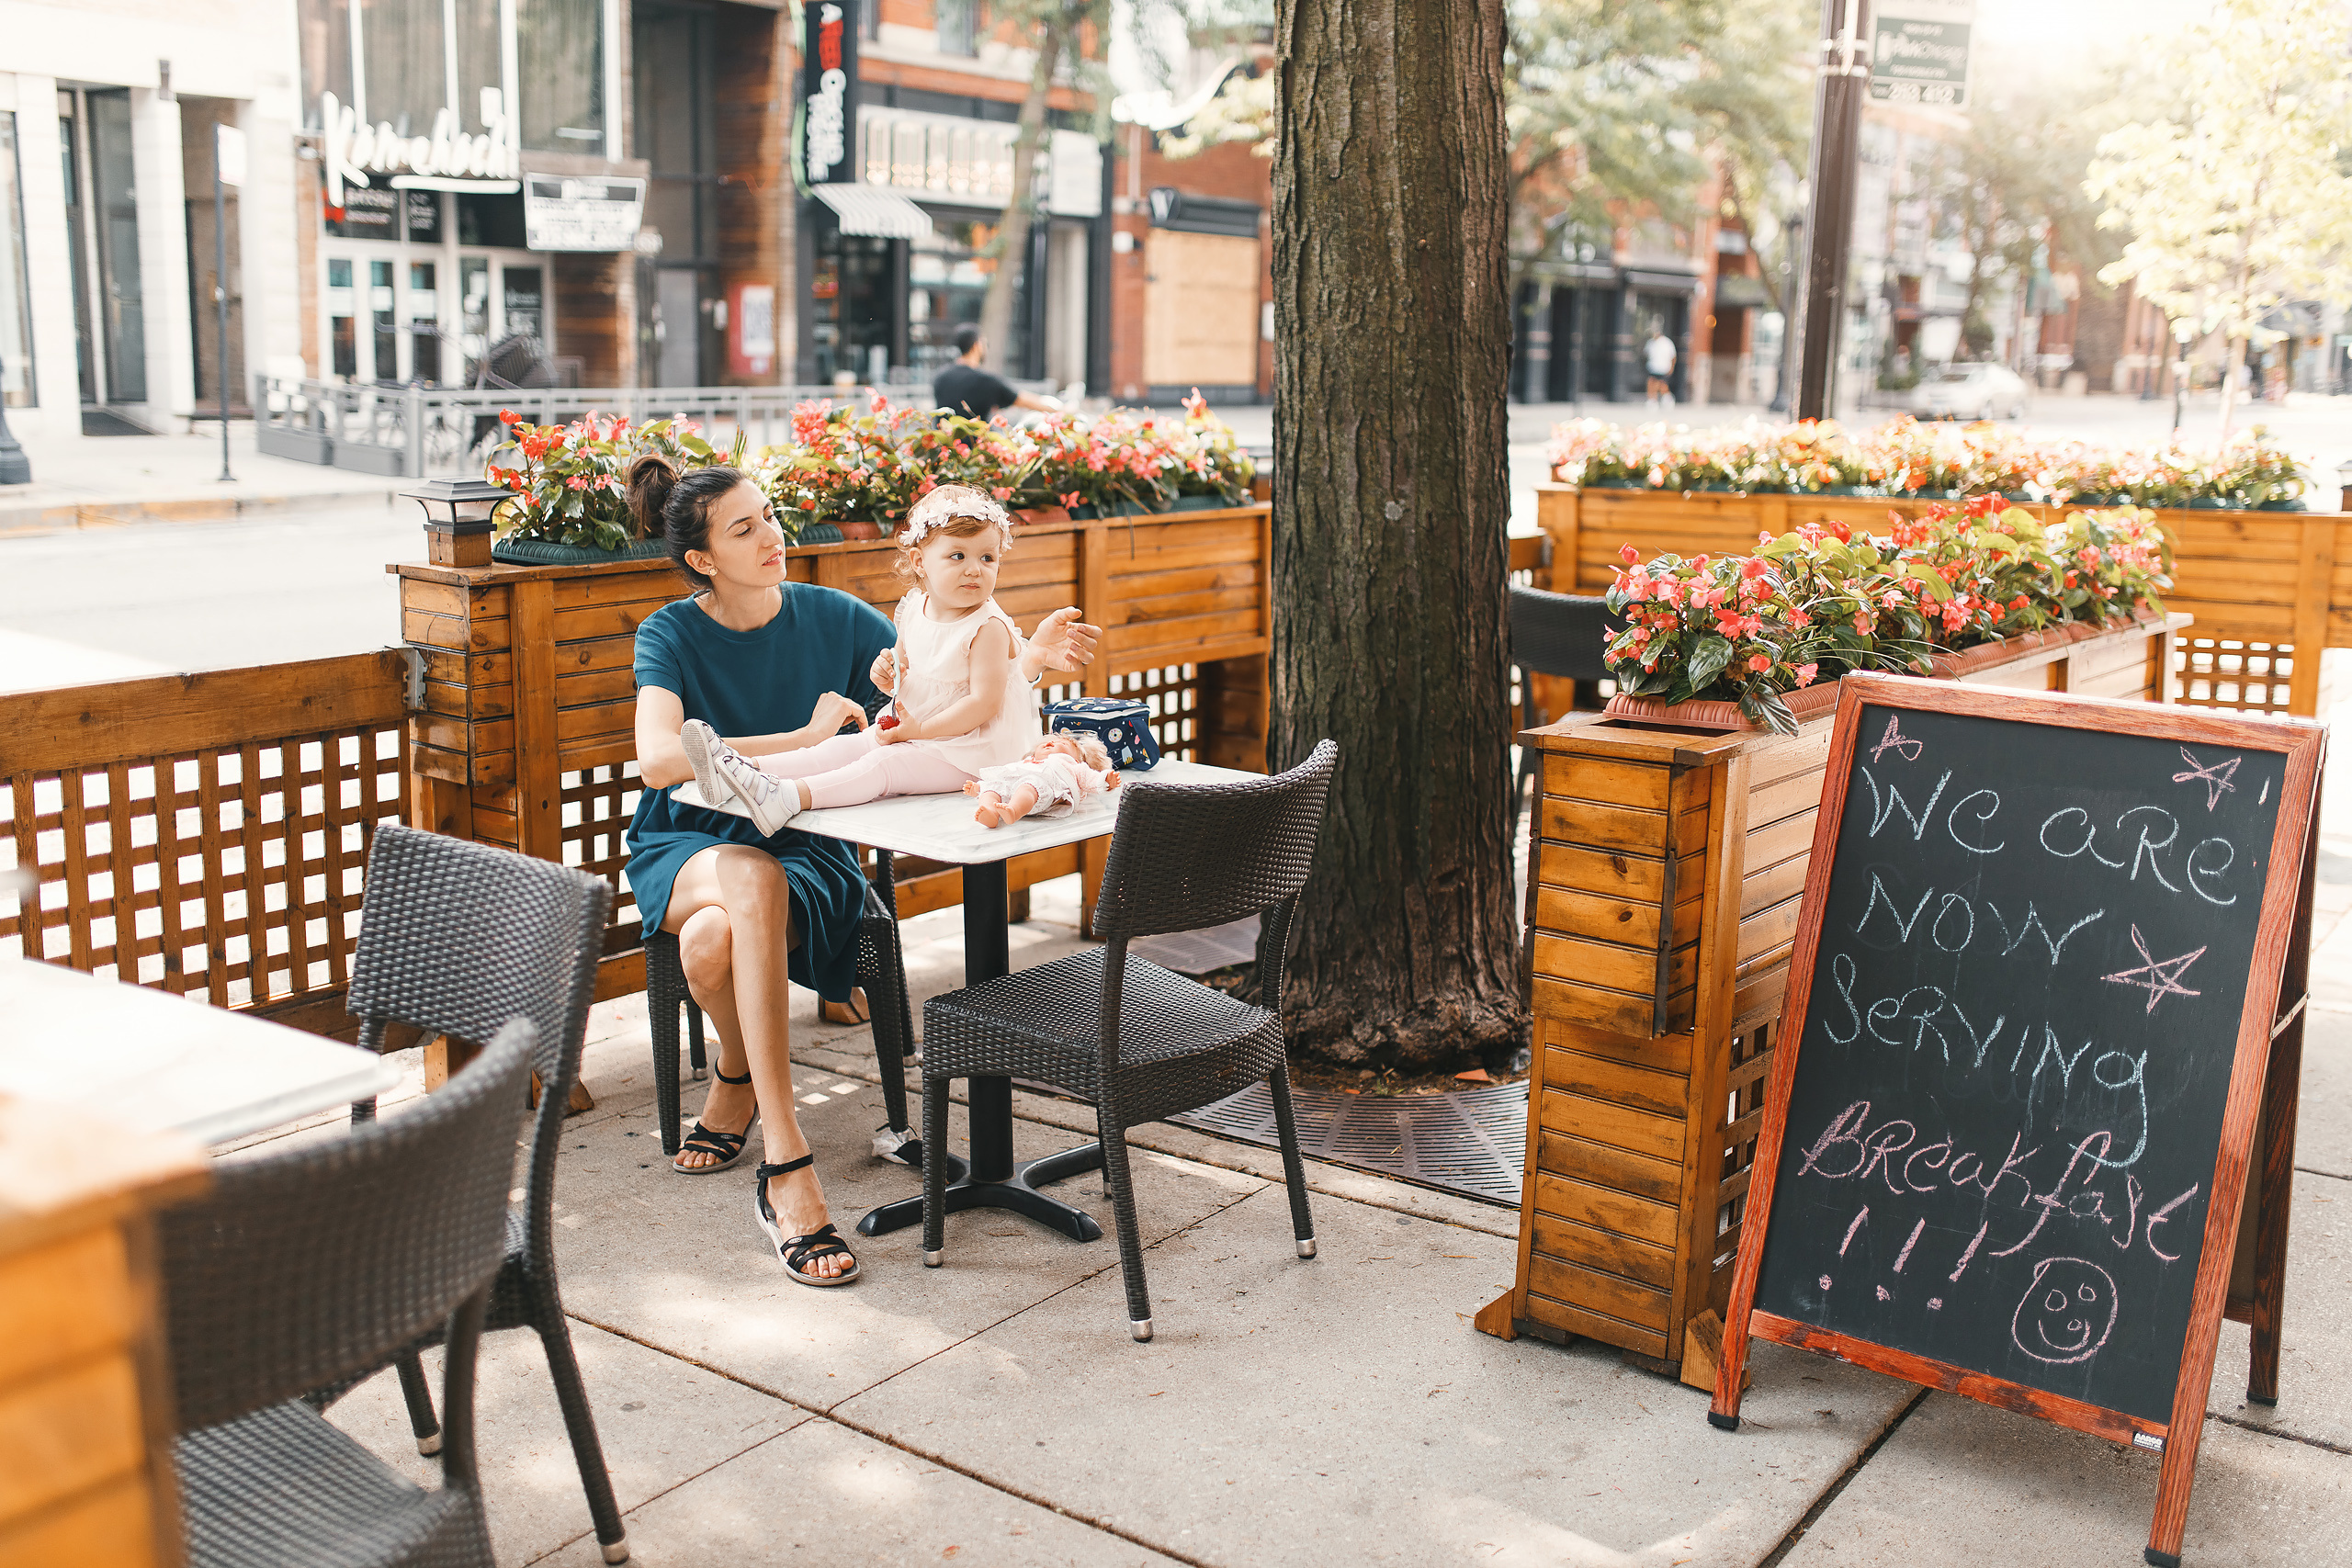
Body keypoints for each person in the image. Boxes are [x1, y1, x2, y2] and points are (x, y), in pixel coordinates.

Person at [624, 458, 1096, 1285]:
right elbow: (662, 761)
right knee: (742, 882)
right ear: (703, 559)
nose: (773, 537)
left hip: (806, 841)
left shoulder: (833, 616)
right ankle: (787, 1162)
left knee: (710, 942)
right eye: (745, 530)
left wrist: (1028, 664)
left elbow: (942, 698)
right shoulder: (669, 631)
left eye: (768, 517)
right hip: (689, 836)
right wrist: (797, 737)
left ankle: (736, 1073)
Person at [677, 484, 1043, 834]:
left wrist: (919, 732)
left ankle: (788, 798)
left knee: (882, 765)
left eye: (988, 557)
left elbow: (983, 704)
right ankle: (739, 771)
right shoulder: (916, 607)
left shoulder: (988, 627)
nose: (975, 569)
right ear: (919, 562)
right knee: (842, 746)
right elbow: (903, 670)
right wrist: (886, 674)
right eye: (958, 556)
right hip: (922, 736)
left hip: (973, 754)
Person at [966, 730, 1121, 829]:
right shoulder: (1028, 762)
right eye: (1048, 742)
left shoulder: (1070, 765)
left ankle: (1014, 811)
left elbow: (1089, 778)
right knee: (994, 787)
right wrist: (980, 787)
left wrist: (1106, 780)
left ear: (1075, 759)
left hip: (1042, 792)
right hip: (1018, 789)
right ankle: (991, 812)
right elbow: (1006, 777)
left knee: (1030, 785)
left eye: (1062, 744)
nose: (1050, 743)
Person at [931, 324, 1064, 421]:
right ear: (977, 346)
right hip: (974, 453)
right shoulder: (985, 381)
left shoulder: (940, 377)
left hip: (944, 452)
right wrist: (1064, 410)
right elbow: (1024, 400)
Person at [1645, 328, 1678, 409]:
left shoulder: (1667, 343)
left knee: (1662, 384)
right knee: (1651, 383)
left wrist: (1671, 368)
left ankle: (1667, 399)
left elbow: (1673, 356)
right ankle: (1652, 400)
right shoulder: (1650, 342)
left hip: (1663, 367)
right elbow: (1646, 354)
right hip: (1653, 366)